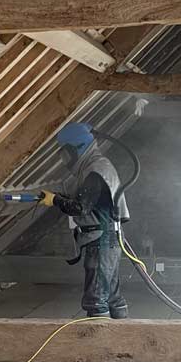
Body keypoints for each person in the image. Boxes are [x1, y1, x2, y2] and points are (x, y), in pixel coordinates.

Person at [39, 122, 129, 319]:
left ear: (77, 147)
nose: (65, 160)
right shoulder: (97, 166)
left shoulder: (96, 170)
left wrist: (55, 200)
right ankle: (120, 344)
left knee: (96, 300)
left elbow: (81, 207)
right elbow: (86, 200)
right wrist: (59, 197)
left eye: (66, 153)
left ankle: (99, 346)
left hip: (101, 241)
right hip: (108, 239)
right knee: (112, 297)